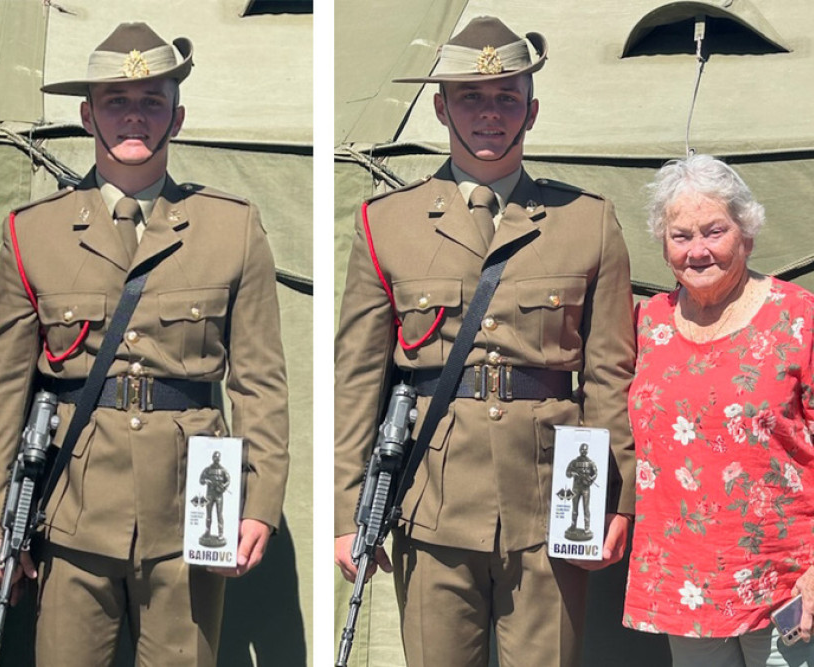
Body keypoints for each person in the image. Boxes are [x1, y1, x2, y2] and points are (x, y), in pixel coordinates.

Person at [0, 22, 289, 667]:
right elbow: (4, 389)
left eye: (152, 101)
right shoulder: (33, 233)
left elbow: (258, 382)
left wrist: (261, 501)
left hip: (195, 499)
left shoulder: (232, 228)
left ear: (178, 115)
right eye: (117, 101)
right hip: (72, 502)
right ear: (88, 115)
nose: (134, 116)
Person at [333, 16, 637, 666]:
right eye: (471, 97)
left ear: (532, 109)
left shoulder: (589, 223)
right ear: (441, 106)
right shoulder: (386, 223)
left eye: (507, 97)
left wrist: (620, 495)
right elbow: (356, 381)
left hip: (557, 497)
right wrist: (345, 508)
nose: (490, 113)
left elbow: (611, 377)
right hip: (432, 496)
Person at [624, 154, 814, 666]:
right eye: (681, 236)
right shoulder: (645, 325)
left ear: (746, 234)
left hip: (788, 586)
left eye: (714, 231)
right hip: (686, 587)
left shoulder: (798, 318)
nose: (698, 251)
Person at [566, 442, 597, 540]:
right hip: (576, 487)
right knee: (575, 508)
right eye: (582, 449)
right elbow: (567, 473)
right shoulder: (574, 462)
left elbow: (595, 473)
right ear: (580, 450)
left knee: (586, 508)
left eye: (585, 449)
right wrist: (573, 473)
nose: (584, 451)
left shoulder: (591, 463)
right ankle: (573, 526)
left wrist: (590, 480)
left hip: (586, 488)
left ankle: (587, 528)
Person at [200, 451, 230, 543]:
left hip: (219, 495)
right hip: (209, 494)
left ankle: (220, 533)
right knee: (208, 514)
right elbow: (201, 480)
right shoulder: (207, 469)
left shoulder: (223, 470)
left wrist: (223, 487)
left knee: (219, 515)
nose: (216, 459)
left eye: (218, 457)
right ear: (213, 458)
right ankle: (207, 532)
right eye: (215, 457)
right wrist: (206, 481)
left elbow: (228, 480)